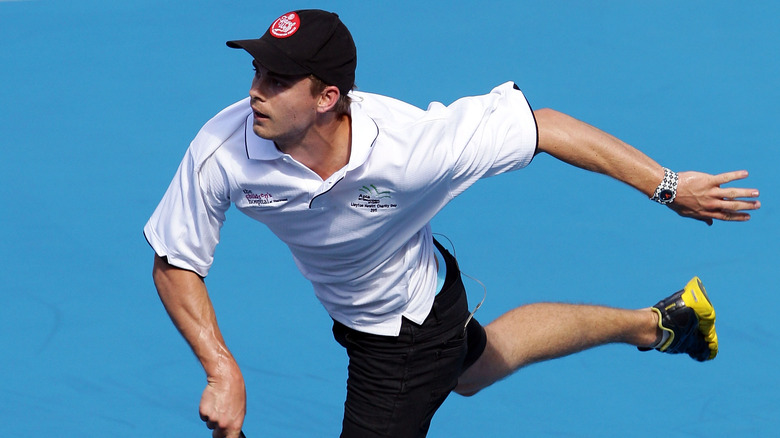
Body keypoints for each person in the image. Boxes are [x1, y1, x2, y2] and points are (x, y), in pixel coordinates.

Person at [144, 9, 760, 438]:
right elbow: (176, 260)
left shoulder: (413, 146)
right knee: (477, 367)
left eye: (277, 80)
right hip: (411, 294)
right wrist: (221, 367)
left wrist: (670, 186)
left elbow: (546, 125)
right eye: (255, 72)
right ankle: (661, 323)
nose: (255, 92)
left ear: (328, 97)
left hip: (402, 338)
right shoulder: (224, 147)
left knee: (448, 369)